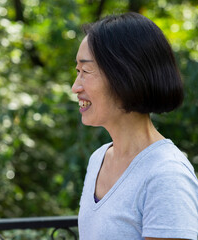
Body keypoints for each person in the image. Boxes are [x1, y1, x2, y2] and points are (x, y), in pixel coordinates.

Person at [72, 12, 198, 239]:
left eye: (86, 71)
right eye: (77, 72)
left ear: (125, 75)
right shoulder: (99, 158)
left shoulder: (166, 175)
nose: (75, 87)